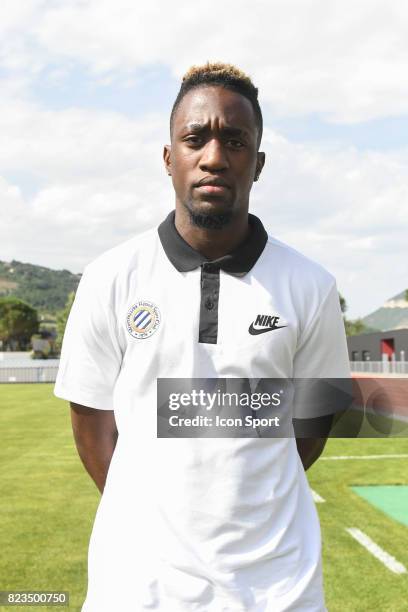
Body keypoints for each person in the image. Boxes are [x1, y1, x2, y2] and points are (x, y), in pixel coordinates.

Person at [54, 62, 351, 611]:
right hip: (138, 586)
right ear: (170, 158)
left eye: (235, 141)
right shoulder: (111, 277)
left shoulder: (311, 285)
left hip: (276, 588)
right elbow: (92, 423)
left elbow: (310, 430)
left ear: (257, 163)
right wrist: (152, 520)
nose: (214, 157)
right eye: (195, 139)